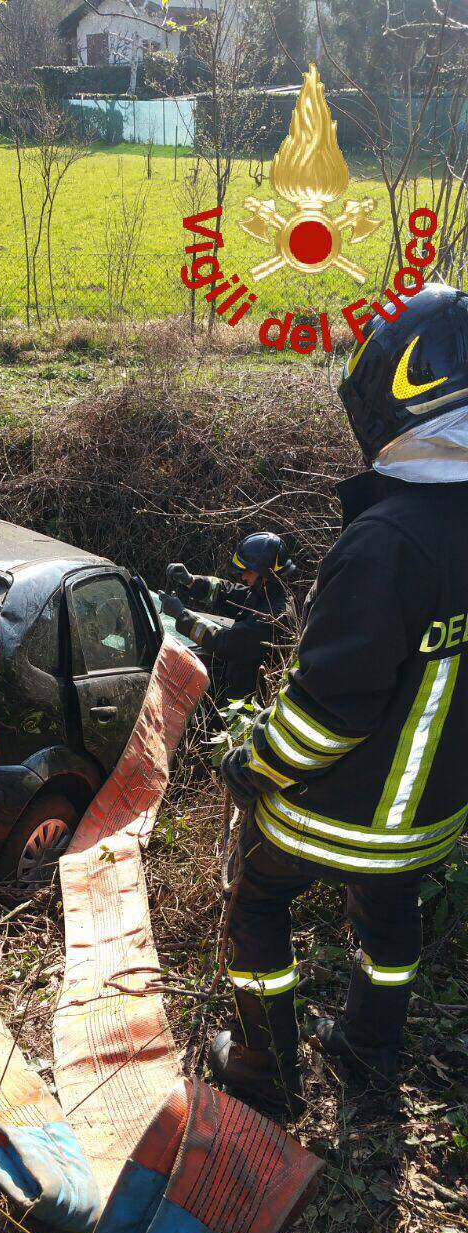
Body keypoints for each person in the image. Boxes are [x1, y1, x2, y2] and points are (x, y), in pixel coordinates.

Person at [210, 283, 468, 1120]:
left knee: (256, 903)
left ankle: (264, 1075)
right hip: (432, 820)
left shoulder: (387, 541)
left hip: (335, 811)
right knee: (388, 922)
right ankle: (369, 1048)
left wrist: (255, 762)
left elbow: (330, 708)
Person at [159, 533, 297, 703]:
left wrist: (181, 616)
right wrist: (192, 581)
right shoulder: (265, 594)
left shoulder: (274, 616)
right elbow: (229, 593)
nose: (243, 577)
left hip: (247, 704)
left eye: (248, 571)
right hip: (237, 687)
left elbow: (224, 643)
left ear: (266, 573)